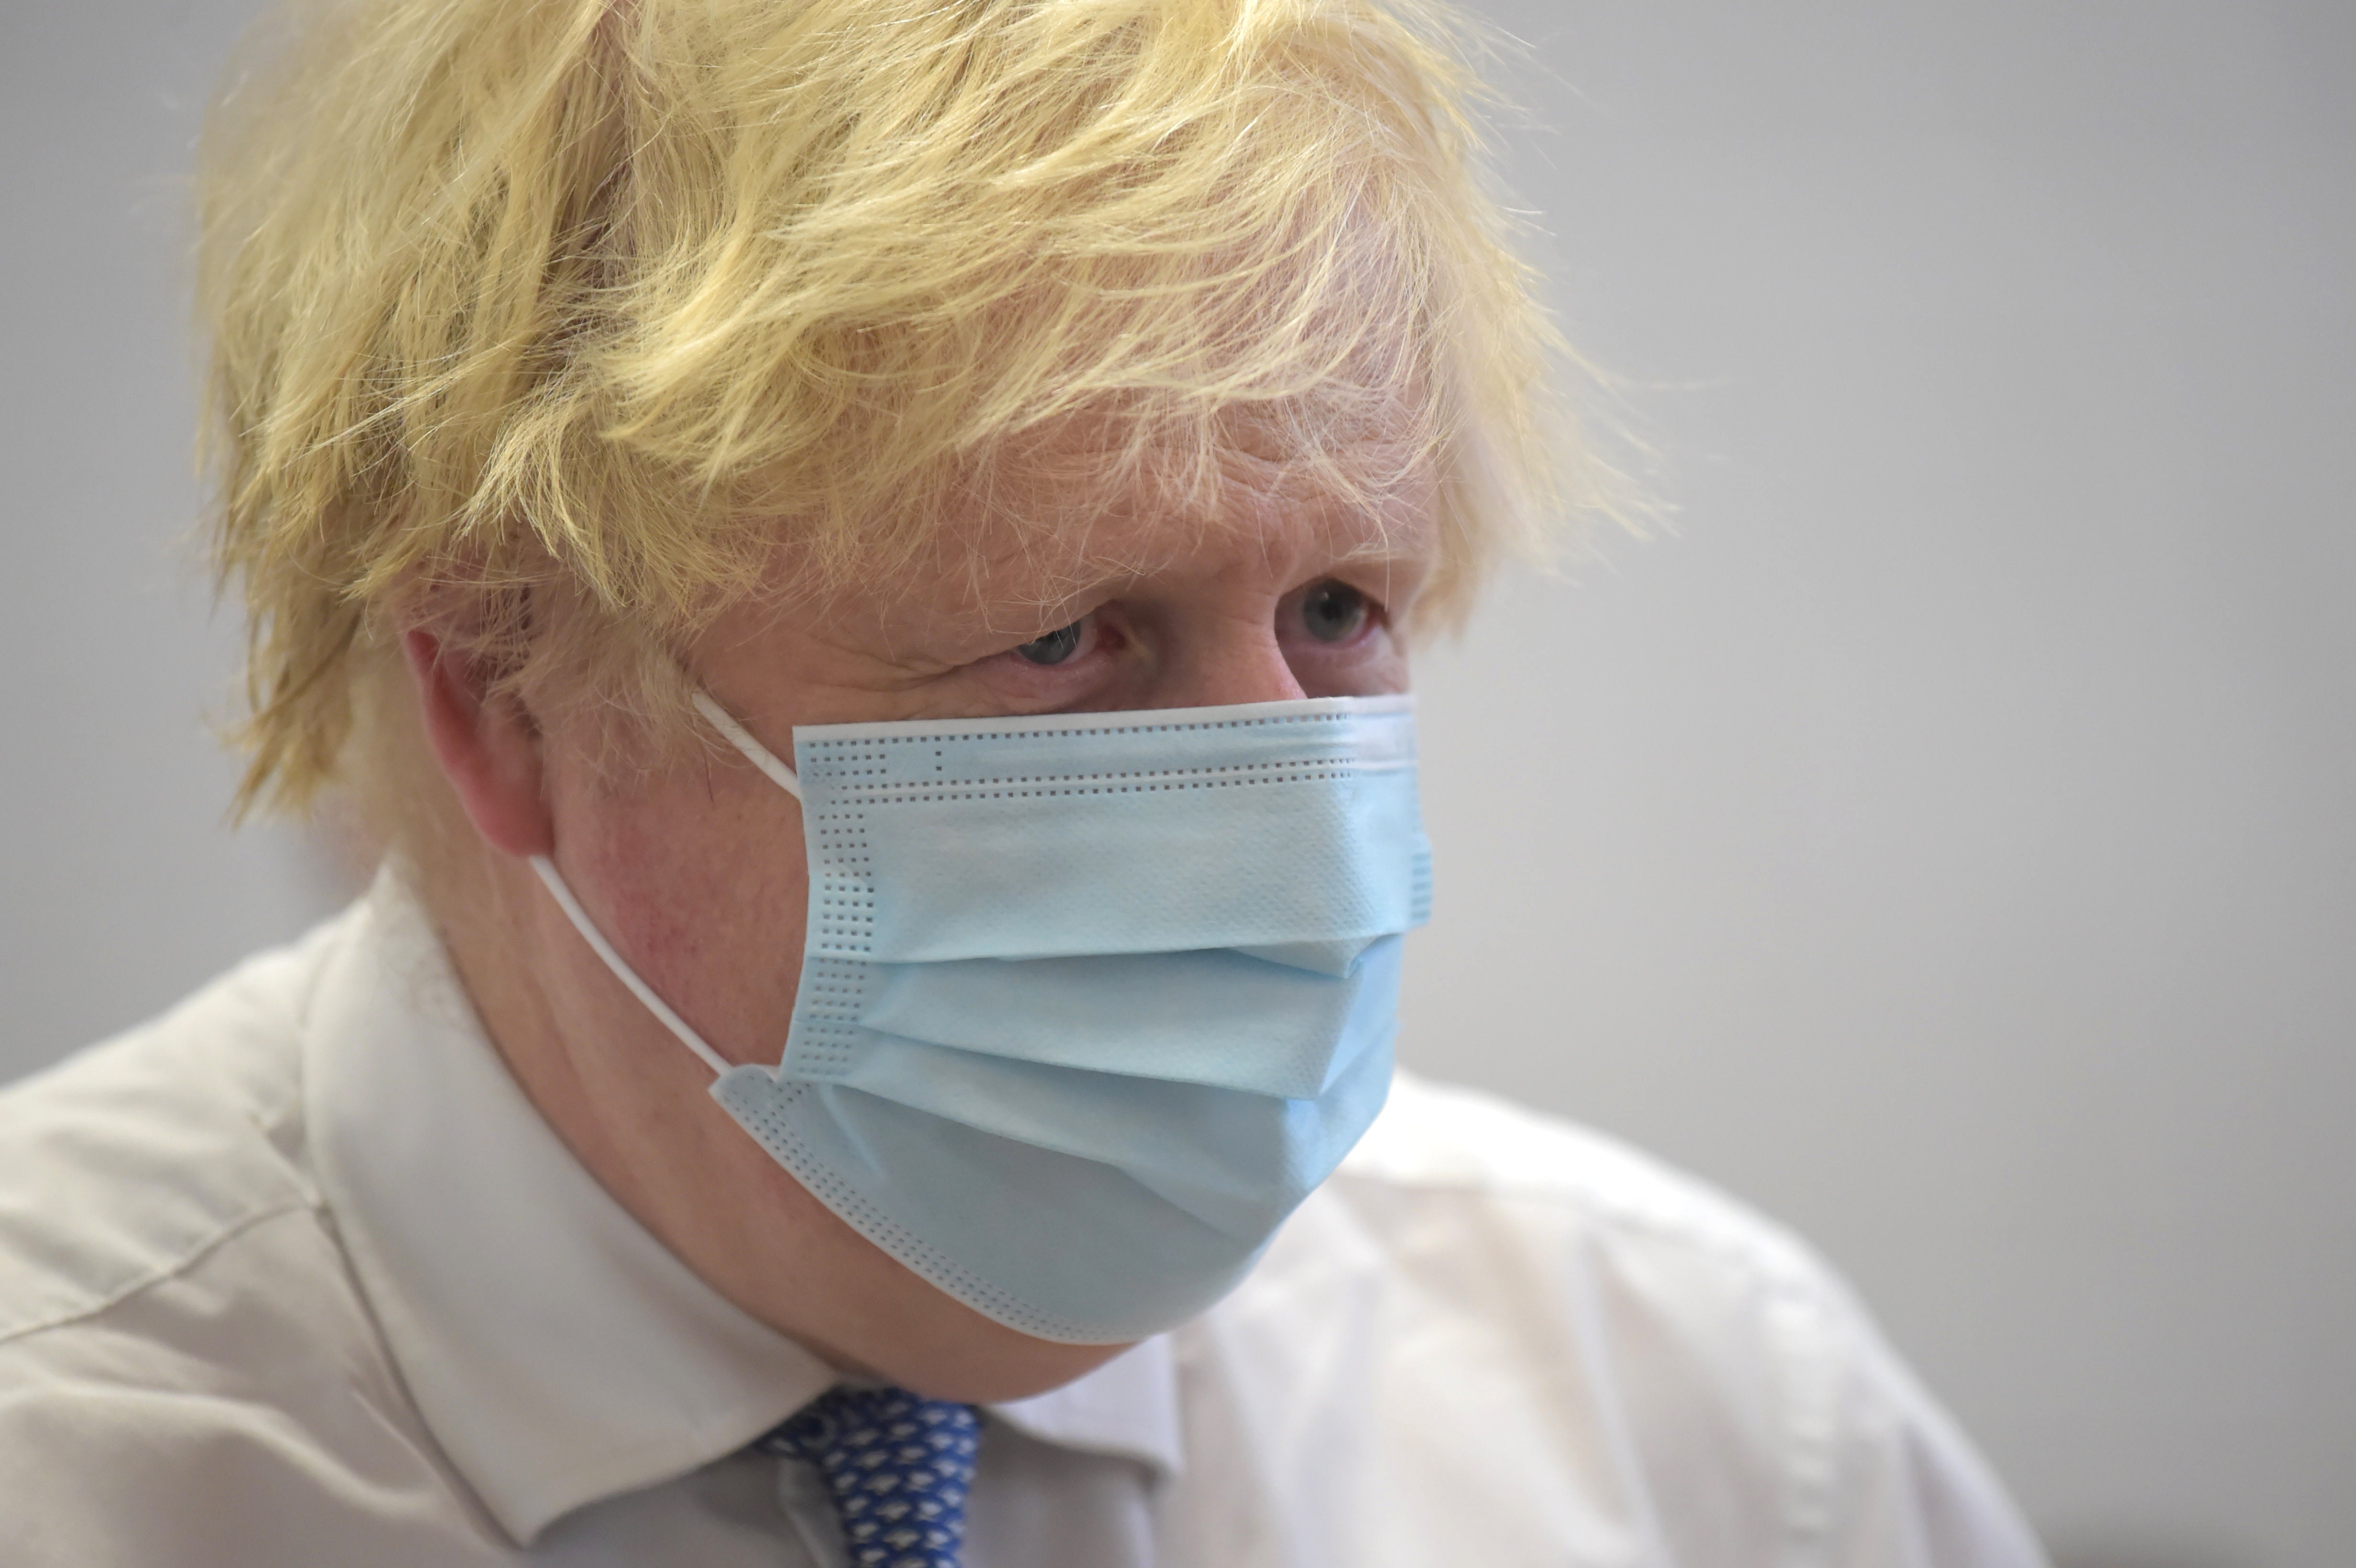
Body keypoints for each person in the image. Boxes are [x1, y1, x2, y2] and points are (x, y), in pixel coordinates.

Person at [0, 0, 2048, 1562]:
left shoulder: (1691, 1420)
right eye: (1064, 638)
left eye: (1338, 610)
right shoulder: (71, 1450)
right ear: (507, 697)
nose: (1274, 811)